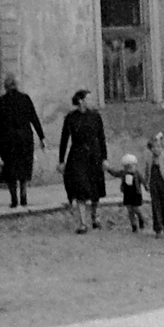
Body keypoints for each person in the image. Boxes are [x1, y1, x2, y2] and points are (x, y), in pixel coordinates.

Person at [0, 74, 46, 208]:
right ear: (16, 85)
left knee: (10, 169)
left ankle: (14, 199)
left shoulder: (0, 101)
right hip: (24, 138)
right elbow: (34, 118)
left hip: (7, 140)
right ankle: (23, 195)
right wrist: (42, 137)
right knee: (24, 167)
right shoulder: (25, 99)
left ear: (5, 87)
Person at [58, 89, 107, 235]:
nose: (91, 101)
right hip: (77, 156)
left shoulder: (95, 116)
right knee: (80, 187)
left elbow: (102, 138)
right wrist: (61, 160)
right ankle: (82, 223)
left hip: (94, 155)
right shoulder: (71, 118)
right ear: (80, 101)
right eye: (88, 98)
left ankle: (95, 216)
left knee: (95, 187)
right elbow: (64, 140)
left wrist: (104, 158)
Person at [106, 153, 146, 233]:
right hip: (127, 194)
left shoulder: (137, 173)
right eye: (126, 166)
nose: (129, 168)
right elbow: (116, 173)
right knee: (130, 210)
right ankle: (134, 225)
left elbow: (143, 181)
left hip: (136, 193)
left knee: (136, 208)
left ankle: (141, 218)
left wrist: (146, 186)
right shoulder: (123, 173)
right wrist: (108, 169)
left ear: (135, 165)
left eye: (131, 166)